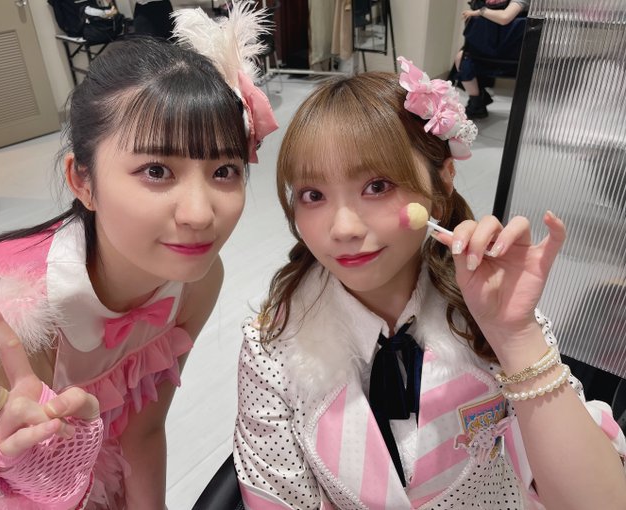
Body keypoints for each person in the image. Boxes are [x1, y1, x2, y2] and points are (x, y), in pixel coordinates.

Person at [233, 57, 626, 509]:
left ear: (442, 181)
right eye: (313, 195)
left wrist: (516, 337)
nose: (342, 228)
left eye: (377, 186)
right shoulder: (272, 347)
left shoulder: (487, 310)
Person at [0, 5, 277, 508]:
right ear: (83, 181)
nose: (199, 214)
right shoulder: (0, 327)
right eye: (156, 171)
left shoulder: (197, 281)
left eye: (224, 171)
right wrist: (26, 471)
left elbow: (142, 429)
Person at [455, 0, 530, 118]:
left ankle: (479, 101)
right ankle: (477, 103)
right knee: (461, 58)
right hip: (485, 47)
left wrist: (480, 12)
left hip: (512, 55)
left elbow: (505, 17)